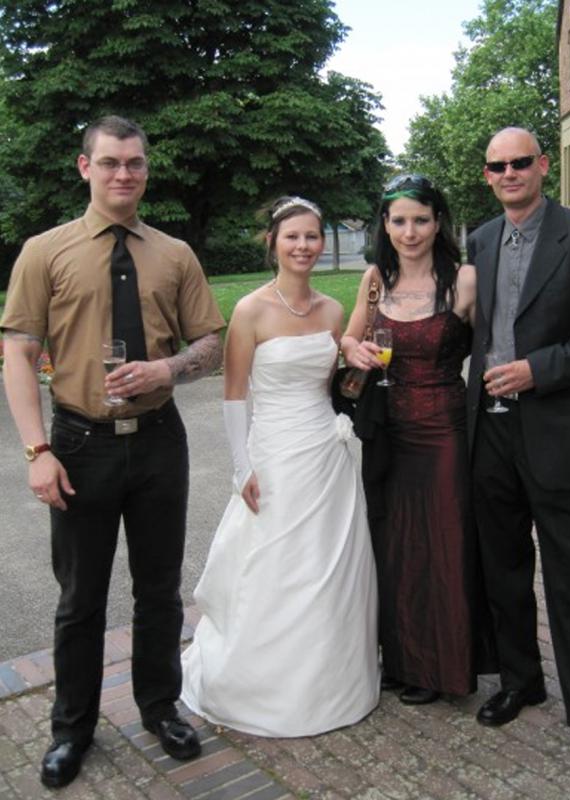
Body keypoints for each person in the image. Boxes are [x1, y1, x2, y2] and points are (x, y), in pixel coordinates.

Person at [0, 115, 226, 789]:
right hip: (78, 443)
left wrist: (170, 371)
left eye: (134, 163)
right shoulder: (45, 252)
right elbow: (18, 354)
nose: (123, 173)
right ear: (84, 168)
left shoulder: (175, 254)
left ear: (146, 170)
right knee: (80, 600)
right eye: (110, 163)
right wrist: (36, 450)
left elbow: (210, 344)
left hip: (160, 444)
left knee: (159, 591)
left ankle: (160, 709)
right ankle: (72, 729)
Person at [467, 127, 570, 793]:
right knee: (502, 572)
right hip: (491, 437)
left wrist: (538, 370)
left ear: (542, 167)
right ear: (488, 176)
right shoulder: (479, 240)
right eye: (497, 166)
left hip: (558, 435)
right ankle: (521, 682)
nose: (509, 173)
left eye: (520, 163)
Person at [180, 196, 380, 737]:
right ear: (272, 241)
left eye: (313, 236)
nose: (303, 246)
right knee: (276, 568)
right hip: (273, 455)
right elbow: (234, 394)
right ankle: (262, 685)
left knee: (327, 567)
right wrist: (240, 466)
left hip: (326, 455)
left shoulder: (334, 312)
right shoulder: (248, 311)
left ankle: (331, 681)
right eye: (292, 236)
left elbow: (333, 385)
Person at [341, 174, 495, 705]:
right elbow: (350, 336)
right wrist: (351, 349)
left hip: (444, 430)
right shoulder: (375, 279)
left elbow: (497, 343)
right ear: (386, 224)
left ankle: (442, 668)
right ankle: (402, 659)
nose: (410, 231)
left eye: (421, 220)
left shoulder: (466, 280)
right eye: (400, 220)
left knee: (443, 544)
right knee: (395, 544)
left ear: (438, 223)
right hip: (387, 432)